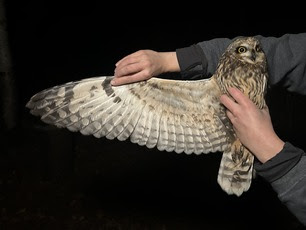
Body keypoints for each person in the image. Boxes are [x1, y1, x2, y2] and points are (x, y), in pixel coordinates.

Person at [111, 33, 306, 226]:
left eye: (255, 52)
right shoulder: (251, 64)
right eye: (243, 51)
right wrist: (168, 60)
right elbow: (288, 52)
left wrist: (272, 151)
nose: (252, 55)